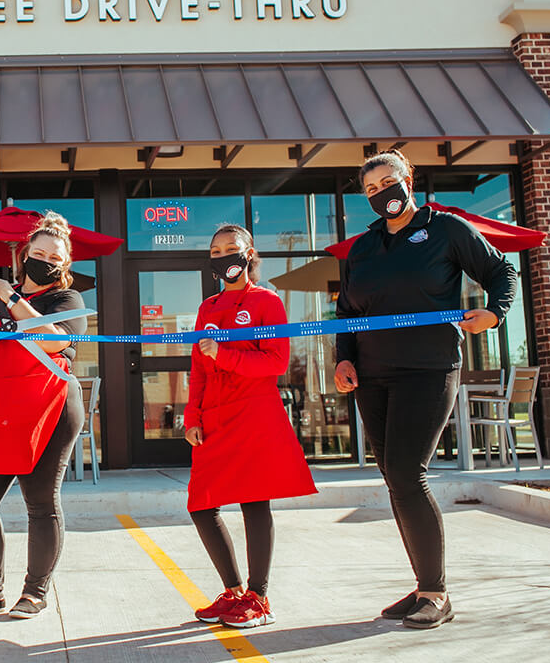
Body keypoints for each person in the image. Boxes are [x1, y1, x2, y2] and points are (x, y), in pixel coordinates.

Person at [334, 149, 518, 630]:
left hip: (429, 369)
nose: (381, 194)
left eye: (387, 182)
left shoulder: (446, 229)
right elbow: (347, 313)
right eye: (371, 189)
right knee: (395, 479)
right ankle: (423, 586)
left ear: (408, 179)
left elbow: (502, 270)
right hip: (372, 377)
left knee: (405, 471)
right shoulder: (363, 247)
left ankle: (437, 593)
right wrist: (344, 357)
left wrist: (495, 312)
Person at [0, 212, 88, 619]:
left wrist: (12, 301)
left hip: (49, 408)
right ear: (25, 253)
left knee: (40, 501)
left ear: (64, 266)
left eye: (54, 257)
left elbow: (58, 342)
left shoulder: (67, 300)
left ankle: (35, 592)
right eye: (38, 252)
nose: (44, 260)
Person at [184, 224, 317, 629]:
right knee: (201, 504)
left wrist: (225, 355)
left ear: (248, 254)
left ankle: (258, 598)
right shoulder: (207, 308)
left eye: (232, 249)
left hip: (254, 412)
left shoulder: (267, 301)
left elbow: (276, 363)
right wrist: (192, 415)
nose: (225, 256)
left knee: (253, 501)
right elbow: (198, 367)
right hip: (215, 415)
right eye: (216, 250)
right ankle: (233, 592)